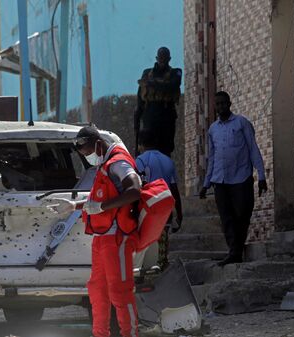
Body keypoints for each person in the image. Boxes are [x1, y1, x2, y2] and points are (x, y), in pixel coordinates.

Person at [47, 126, 141, 337]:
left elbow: (134, 189)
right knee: (97, 291)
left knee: (119, 291)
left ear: (98, 144)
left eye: (88, 153)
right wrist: (74, 206)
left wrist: (103, 207)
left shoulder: (118, 162)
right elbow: (98, 199)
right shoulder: (104, 165)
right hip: (101, 238)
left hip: (116, 238)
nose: (88, 157)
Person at [199, 91, 267, 266]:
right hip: (220, 180)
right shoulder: (213, 129)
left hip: (241, 178)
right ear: (215, 106)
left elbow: (253, 148)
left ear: (229, 104)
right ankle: (234, 252)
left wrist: (261, 176)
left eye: (223, 103)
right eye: (218, 104)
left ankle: (236, 249)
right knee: (226, 218)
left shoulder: (241, 123)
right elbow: (212, 157)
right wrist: (206, 184)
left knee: (242, 214)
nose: (221, 107)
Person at [136, 129, 183, 269]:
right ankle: (161, 267)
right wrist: (179, 213)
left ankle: (151, 271)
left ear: (141, 144)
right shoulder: (168, 161)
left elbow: (137, 185)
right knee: (163, 239)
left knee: (148, 244)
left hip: (148, 207)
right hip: (166, 207)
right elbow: (174, 189)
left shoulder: (140, 160)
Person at [134, 47, 182, 157]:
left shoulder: (176, 72)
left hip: (166, 114)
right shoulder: (147, 73)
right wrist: (137, 120)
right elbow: (140, 98)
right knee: (148, 147)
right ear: (156, 58)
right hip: (150, 114)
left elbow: (172, 86)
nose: (162, 60)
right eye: (160, 58)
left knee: (165, 149)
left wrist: (152, 83)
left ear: (169, 59)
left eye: (165, 58)